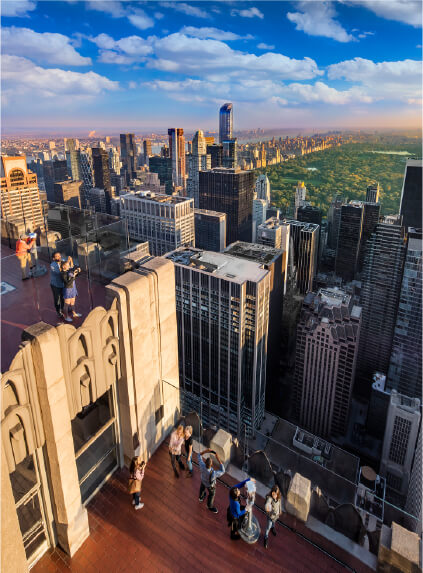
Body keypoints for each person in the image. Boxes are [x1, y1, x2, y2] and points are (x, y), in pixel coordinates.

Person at [198, 448, 225, 514]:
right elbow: (223, 471)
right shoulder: (214, 473)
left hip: (203, 481)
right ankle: (209, 506)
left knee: (202, 488)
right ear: (211, 465)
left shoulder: (202, 465)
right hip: (210, 485)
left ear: (205, 462)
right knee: (212, 494)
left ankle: (201, 498)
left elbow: (199, 455)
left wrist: (206, 451)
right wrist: (218, 459)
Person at [60, 258, 82, 323]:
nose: (69, 266)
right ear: (63, 266)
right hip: (68, 290)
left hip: (73, 288)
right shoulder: (63, 274)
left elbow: (75, 273)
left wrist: (77, 271)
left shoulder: (68, 270)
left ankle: (74, 313)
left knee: (73, 302)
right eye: (67, 265)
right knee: (66, 304)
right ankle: (66, 317)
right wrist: (74, 275)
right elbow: (68, 282)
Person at [263, 485, 282, 549]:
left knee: (274, 523)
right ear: (272, 492)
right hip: (271, 516)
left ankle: (273, 528)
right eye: (275, 492)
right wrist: (268, 507)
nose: (276, 494)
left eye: (277, 492)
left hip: (276, 515)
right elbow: (267, 504)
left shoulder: (279, 497)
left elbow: (279, 503)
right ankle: (266, 537)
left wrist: (280, 510)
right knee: (268, 527)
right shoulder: (270, 498)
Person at [50, 251, 65, 318]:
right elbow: (59, 272)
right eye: (56, 256)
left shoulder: (63, 262)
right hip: (55, 285)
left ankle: (63, 308)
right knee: (57, 298)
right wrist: (65, 267)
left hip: (62, 284)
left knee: (63, 297)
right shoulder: (52, 265)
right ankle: (58, 311)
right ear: (53, 258)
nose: (59, 257)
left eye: (59, 255)